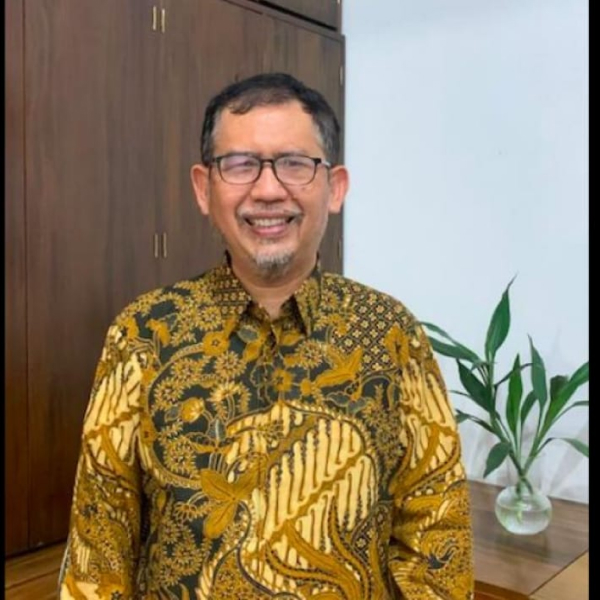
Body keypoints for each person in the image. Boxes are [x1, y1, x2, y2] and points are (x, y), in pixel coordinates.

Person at [59, 72, 474, 599]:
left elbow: (436, 532)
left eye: (295, 163)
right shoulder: (144, 333)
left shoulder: (390, 334)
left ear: (335, 187)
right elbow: (100, 543)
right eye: (240, 164)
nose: (269, 190)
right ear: (203, 188)